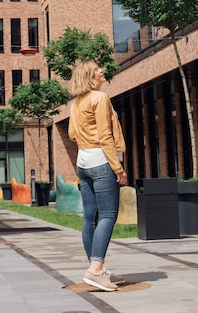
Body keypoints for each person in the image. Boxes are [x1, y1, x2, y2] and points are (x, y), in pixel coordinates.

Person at [68, 60, 127, 292]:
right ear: (89, 76)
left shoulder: (77, 102)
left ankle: (97, 269)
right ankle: (95, 269)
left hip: (83, 161)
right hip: (101, 160)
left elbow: (72, 134)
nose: (102, 71)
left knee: (89, 217)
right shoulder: (99, 98)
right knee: (108, 215)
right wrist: (118, 168)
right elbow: (104, 135)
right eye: (97, 69)